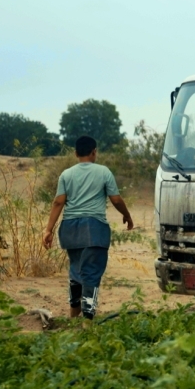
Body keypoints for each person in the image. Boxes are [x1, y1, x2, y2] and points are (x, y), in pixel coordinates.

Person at [42, 136, 134, 321]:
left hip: (70, 230)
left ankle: (73, 318)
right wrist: (127, 215)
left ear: (76, 153)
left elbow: (58, 201)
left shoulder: (66, 174)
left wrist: (48, 229)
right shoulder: (103, 172)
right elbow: (115, 199)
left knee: (76, 272)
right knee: (91, 274)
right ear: (94, 152)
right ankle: (87, 322)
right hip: (93, 229)